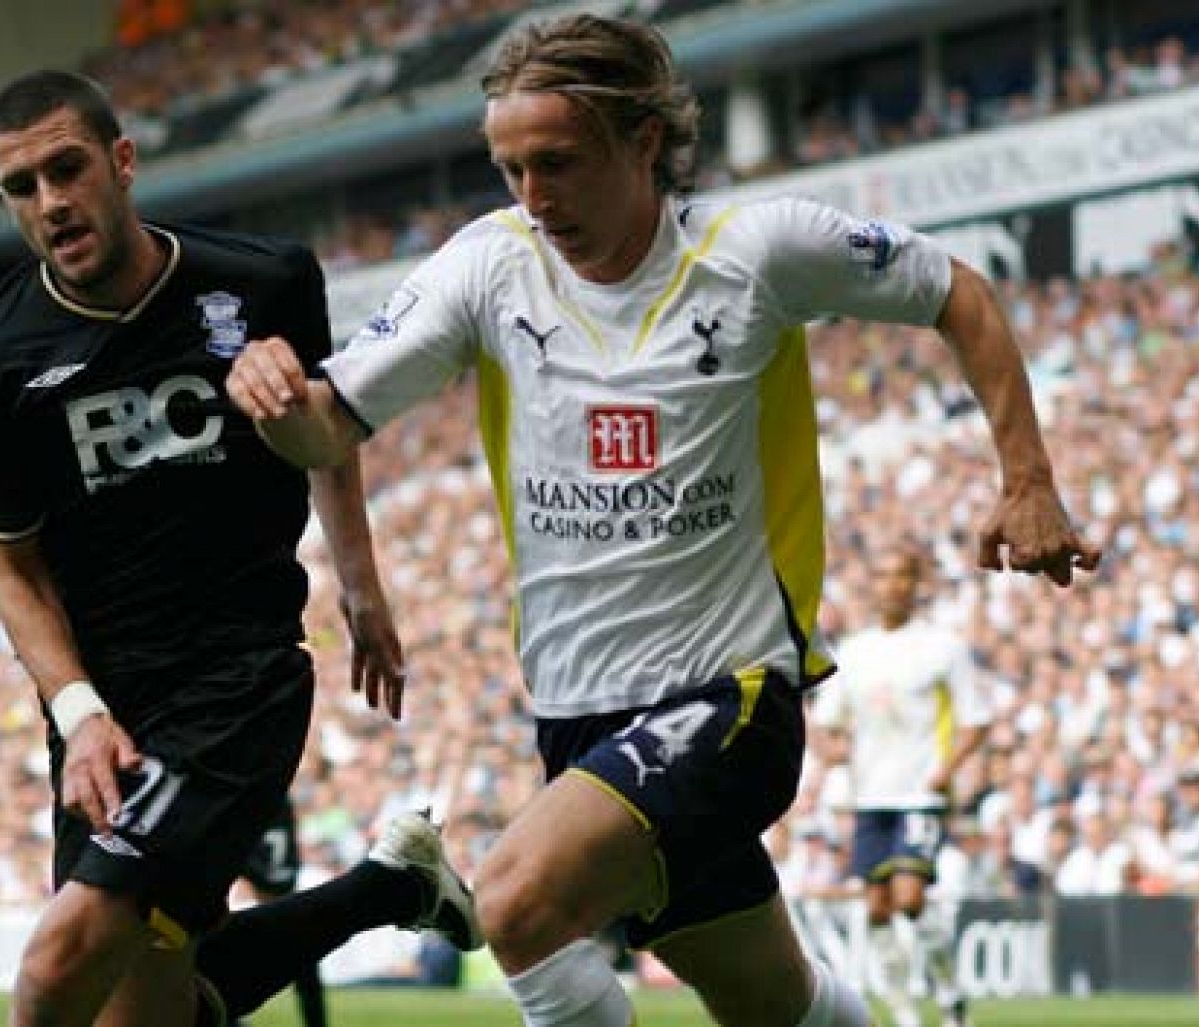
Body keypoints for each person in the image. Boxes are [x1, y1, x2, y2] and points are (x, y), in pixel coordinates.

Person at [224, 14, 1101, 1027]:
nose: (533, 197)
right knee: (773, 1001)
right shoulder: (487, 267)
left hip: (728, 696)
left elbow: (959, 290)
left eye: (556, 162)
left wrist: (1026, 477)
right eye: (510, 168)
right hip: (577, 714)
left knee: (514, 901)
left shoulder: (756, 251)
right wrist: (277, 400)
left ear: (643, 140)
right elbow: (326, 429)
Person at [0, 70, 479, 1027]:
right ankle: (392, 888)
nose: (50, 202)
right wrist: (79, 715)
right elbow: (12, 567)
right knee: (143, 1016)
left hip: (236, 680)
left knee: (53, 972)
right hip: (108, 711)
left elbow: (328, 435)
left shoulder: (261, 281)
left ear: (122, 160)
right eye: (21, 186)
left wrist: (359, 584)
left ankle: (391, 889)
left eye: (67, 169)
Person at [811, 546, 991, 1027]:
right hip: (871, 796)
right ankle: (905, 1013)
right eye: (883, 575)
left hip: (920, 795)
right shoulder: (854, 651)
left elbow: (976, 722)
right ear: (872, 585)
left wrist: (946, 771)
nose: (891, 585)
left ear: (917, 586)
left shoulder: (942, 648)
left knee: (910, 899)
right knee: (876, 910)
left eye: (902, 576)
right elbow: (829, 720)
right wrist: (831, 750)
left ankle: (951, 999)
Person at [233, 793, 328, 1027]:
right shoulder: (280, 801)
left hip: (259, 894)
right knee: (306, 969)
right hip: (278, 892)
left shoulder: (247, 801)